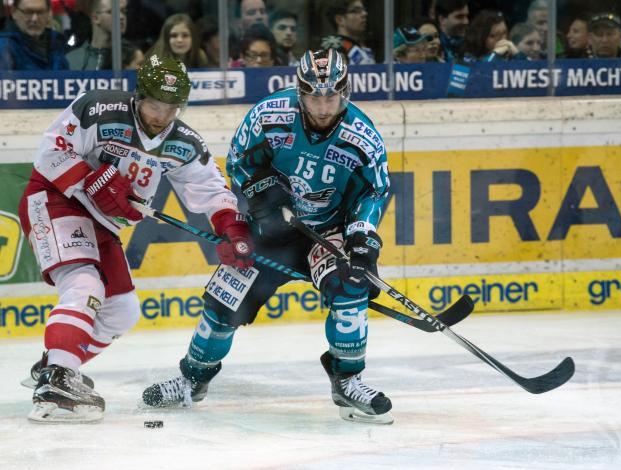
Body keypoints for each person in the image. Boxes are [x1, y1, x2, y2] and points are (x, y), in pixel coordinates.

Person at [141, 48, 393, 424]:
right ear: (299, 91)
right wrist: (264, 193)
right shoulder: (268, 115)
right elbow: (240, 159)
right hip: (274, 228)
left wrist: (361, 236)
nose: (323, 107)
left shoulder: (362, 136)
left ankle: (347, 380)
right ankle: (192, 380)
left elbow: (375, 191)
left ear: (345, 92)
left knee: (350, 286)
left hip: (328, 230)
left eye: (331, 97)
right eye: (313, 97)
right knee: (225, 300)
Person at [18, 54, 254, 423]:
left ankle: (57, 363)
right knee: (84, 283)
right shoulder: (97, 108)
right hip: (55, 200)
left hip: (103, 224)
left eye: (172, 107)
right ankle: (58, 379)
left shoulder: (184, 142)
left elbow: (210, 188)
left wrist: (232, 229)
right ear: (139, 95)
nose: (162, 116)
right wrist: (93, 179)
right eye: (155, 104)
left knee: (122, 310)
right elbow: (50, 151)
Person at [0, 0, 68, 70]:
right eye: (28, 12)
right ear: (14, 12)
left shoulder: (57, 43)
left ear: (48, 13)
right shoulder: (4, 47)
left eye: (40, 12)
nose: (34, 19)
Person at [65, 0, 127, 70]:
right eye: (112, 12)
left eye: (123, 11)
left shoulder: (133, 58)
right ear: (95, 18)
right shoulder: (71, 60)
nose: (121, 17)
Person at [321, 0, 375, 65]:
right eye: (356, 11)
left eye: (364, 10)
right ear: (340, 20)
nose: (364, 14)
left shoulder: (363, 45)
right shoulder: (333, 46)